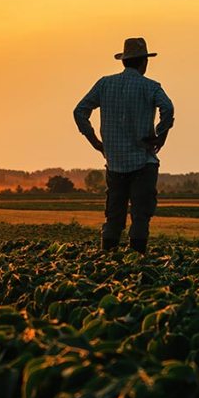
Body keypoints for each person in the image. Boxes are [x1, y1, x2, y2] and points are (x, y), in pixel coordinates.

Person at [73, 37, 175, 254]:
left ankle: (108, 260)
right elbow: (168, 109)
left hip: (115, 162)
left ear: (124, 61)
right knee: (140, 215)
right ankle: (137, 259)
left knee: (114, 216)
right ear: (143, 63)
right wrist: (161, 135)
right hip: (143, 161)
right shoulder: (150, 87)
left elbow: (79, 111)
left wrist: (95, 142)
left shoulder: (104, 84)